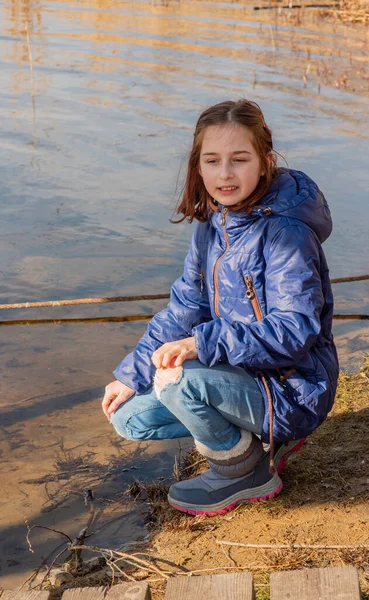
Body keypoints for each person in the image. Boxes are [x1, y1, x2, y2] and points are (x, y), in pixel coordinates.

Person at [102, 99, 339, 516]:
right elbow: (184, 309)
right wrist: (130, 373)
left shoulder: (286, 234)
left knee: (179, 382)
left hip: (291, 387)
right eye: (212, 160)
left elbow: (295, 330)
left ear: (265, 162)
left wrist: (199, 344)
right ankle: (257, 438)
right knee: (130, 416)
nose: (225, 174)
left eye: (239, 159)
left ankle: (242, 470)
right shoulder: (213, 225)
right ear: (198, 166)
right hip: (243, 375)